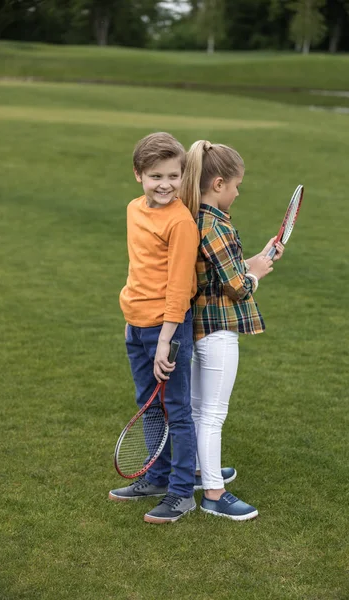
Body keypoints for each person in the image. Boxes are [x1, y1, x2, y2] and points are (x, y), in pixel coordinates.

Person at [181, 140, 284, 521]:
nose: (239, 192)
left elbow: (220, 272)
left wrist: (256, 259)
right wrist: (254, 275)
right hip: (219, 330)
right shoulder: (215, 223)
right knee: (213, 415)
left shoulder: (193, 216)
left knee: (196, 409)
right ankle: (213, 493)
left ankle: (196, 470)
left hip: (195, 329)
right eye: (237, 184)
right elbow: (236, 286)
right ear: (219, 183)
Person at [108, 132, 199, 524]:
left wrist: (165, 340)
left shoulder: (181, 223)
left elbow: (179, 287)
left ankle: (181, 494)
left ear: (183, 176)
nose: (165, 185)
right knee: (148, 407)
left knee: (176, 411)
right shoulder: (133, 209)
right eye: (156, 176)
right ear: (137, 175)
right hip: (136, 324)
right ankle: (156, 478)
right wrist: (132, 317)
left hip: (168, 331)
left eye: (173, 176)